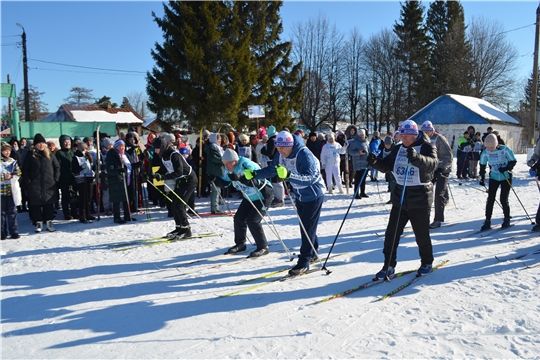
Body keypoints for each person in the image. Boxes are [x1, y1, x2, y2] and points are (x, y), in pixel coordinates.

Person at [244, 131, 326, 276]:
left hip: (313, 194)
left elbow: (310, 178)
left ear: (290, 145)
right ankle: (313, 252)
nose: (280, 151)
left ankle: (304, 262)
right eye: (278, 148)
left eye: (283, 148)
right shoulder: (280, 154)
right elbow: (272, 170)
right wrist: (256, 174)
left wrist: (289, 175)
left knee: (307, 228)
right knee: (306, 225)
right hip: (300, 195)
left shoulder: (304, 154)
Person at [367, 119, 438, 278]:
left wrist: (417, 158)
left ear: (415, 135)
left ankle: (427, 262)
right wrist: (375, 162)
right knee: (391, 234)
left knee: (421, 235)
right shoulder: (398, 148)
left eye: (406, 136)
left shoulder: (427, 146)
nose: (403, 138)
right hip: (400, 198)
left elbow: (433, 164)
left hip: (420, 198)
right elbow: (387, 166)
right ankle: (388, 265)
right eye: (401, 135)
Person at [219, 149, 273, 257]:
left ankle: (263, 247)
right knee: (238, 218)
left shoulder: (246, 164)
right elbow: (226, 182)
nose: (226, 166)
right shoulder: (228, 169)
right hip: (249, 197)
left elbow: (258, 181)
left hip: (262, 195)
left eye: (228, 164)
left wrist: (241, 178)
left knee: (253, 221)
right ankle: (240, 244)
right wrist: (216, 180)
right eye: (224, 164)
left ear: (234, 161)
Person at [149, 134, 197, 238]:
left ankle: (186, 229)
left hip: (189, 180)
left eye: (157, 149)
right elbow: (162, 170)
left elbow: (179, 172)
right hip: (181, 181)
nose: (156, 151)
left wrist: (163, 177)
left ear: (162, 147)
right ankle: (179, 228)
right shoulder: (163, 157)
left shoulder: (174, 155)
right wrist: (151, 175)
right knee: (174, 204)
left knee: (179, 204)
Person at [21, 133, 60, 233]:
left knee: (48, 204)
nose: (41, 145)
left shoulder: (50, 155)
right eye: (39, 143)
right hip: (35, 185)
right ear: (35, 145)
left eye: (43, 143)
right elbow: (25, 170)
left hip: (49, 184)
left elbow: (57, 167)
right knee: (36, 205)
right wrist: (29, 182)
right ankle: (38, 223)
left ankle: (49, 223)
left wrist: (55, 179)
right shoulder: (30, 155)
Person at [478, 133, 517, 230]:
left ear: (496, 144)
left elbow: (513, 161)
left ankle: (506, 219)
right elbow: (482, 166)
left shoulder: (504, 149)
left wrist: (506, 168)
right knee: (490, 199)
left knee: (503, 199)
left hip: (505, 176)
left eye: (492, 147)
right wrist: (482, 178)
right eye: (488, 147)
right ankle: (487, 221)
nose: (490, 149)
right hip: (494, 177)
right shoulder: (485, 152)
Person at [420, 121, 453, 229]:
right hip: (430, 170)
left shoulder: (439, 139)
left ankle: (438, 219)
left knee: (438, 194)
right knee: (424, 193)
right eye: (424, 131)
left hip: (442, 170)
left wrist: (441, 169)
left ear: (432, 130)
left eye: (428, 131)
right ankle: (423, 218)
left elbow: (448, 157)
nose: (426, 133)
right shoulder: (422, 139)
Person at [105, 139, 134, 224]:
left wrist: (138, 164)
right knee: (117, 200)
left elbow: (129, 166)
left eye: (124, 146)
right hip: (116, 181)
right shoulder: (112, 155)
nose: (123, 148)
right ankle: (117, 217)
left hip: (126, 179)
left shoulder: (125, 155)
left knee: (126, 198)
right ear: (116, 147)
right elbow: (110, 170)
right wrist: (119, 170)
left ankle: (127, 215)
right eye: (121, 146)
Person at [71, 142, 96, 224]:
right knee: (83, 197)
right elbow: (74, 169)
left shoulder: (87, 156)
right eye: (83, 149)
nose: (85, 150)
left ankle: (88, 214)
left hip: (89, 177)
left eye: (85, 149)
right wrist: (81, 168)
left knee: (89, 197)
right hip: (81, 178)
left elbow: (90, 165)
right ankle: (82, 215)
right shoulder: (76, 157)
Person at [1, 142, 21, 239]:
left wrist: (14, 174)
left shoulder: (12, 161)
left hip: (11, 190)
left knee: (12, 212)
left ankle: (14, 231)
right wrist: (5, 176)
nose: (7, 153)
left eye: (8, 151)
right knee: (2, 213)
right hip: (1, 191)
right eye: (5, 151)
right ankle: (2, 232)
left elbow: (19, 172)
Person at [55, 135, 78, 220]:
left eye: (68, 142)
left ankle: (74, 212)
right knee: (65, 196)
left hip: (74, 177)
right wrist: (68, 174)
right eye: (65, 142)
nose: (67, 143)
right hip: (64, 179)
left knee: (74, 196)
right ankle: (66, 213)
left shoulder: (73, 152)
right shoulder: (59, 153)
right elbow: (59, 166)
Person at [205, 133, 225, 214]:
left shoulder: (217, 147)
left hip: (217, 170)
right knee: (215, 190)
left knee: (217, 190)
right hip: (214, 171)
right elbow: (214, 158)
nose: (219, 141)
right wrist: (223, 160)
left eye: (220, 139)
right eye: (218, 139)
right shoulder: (212, 147)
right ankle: (214, 208)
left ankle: (215, 207)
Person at [348, 127, 370, 199]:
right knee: (358, 179)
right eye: (360, 134)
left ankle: (362, 192)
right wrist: (358, 153)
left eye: (363, 134)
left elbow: (368, 150)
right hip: (358, 163)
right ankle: (356, 193)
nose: (362, 136)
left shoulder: (366, 141)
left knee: (363, 178)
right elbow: (350, 151)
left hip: (365, 162)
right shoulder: (355, 142)